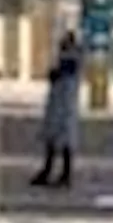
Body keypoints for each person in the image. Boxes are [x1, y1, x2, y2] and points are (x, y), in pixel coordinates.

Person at [32, 31, 82, 188]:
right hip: (59, 104)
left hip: (64, 105)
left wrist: (55, 74)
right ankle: (51, 171)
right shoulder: (67, 60)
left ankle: (63, 174)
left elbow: (60, 75)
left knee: (62, 138)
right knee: (53, 137)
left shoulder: (71, 60)